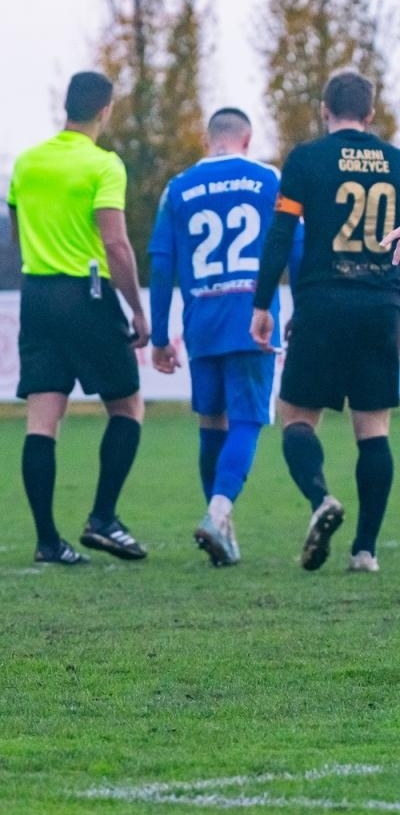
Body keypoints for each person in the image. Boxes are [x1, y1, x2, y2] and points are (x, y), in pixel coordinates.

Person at [250, 70, 400, 573]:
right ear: (372, 114)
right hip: (382, 307)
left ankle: (321, 499)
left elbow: (280, 234)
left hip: (322, 304)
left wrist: (262, 304)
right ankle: (365, 551)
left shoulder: (307, 160)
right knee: (374, 429)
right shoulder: (397, 164)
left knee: (295, 417)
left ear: (323, 109)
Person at [7, 71, 149, 565]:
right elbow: (114, 242)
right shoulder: (103, 165)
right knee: (128, 408)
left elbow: (15, 229)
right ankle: (103, 518)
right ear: (106, 110)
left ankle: (48, 541)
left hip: (37, 292)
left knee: (42, 419)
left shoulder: (27, 162)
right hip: (86, 294)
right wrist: (136, 307)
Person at [149, 108, 298, 566]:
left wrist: (159, 336)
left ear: (208, 139)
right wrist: (304, 309)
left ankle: (222, 535)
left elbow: (160, 263)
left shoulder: (178, 188)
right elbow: (296, 247)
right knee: (248, 420)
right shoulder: (269, 179)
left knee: (211, 421)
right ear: (247, 139)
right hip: (253, 317)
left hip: (202, 320)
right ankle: (217, 513)